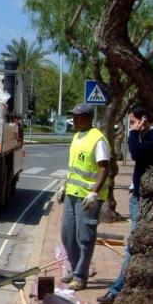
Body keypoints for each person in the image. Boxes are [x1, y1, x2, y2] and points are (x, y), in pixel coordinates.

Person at [96, 105, 153, 304]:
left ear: (144, 120)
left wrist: (134, 134)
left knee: (132, 245)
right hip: (138, 193)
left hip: (144, 198)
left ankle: (116, 289)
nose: (131, 126)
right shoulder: (150, 135)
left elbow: (136, 153)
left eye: (133, 122)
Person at [56, 102, 110, 291]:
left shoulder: (98, 139)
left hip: (88, 198)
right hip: (72, 193)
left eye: (78, 116)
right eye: (74, 116)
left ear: (88, 117)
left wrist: (95, 193)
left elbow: (104, 167)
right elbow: (74, 168)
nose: (74, 119)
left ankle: (80, 276)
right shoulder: (77, 136)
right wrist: (64, 185)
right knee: (67, 234)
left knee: (85, 237)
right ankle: (75, 267)